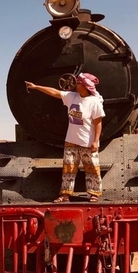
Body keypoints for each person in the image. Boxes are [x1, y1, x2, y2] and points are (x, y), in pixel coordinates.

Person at [25, 73, 106, 202]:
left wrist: (96, 141)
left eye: (78, 83)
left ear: (85, 86)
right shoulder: (71, 97)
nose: (76, 84)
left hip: (87, 142)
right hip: (71, 141)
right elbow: (55, 92)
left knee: (92, 168)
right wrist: (36, 87)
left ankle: (94, 193)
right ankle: (65, 194)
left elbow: (98, 123)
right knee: (68, 169)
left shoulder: (94, 102)